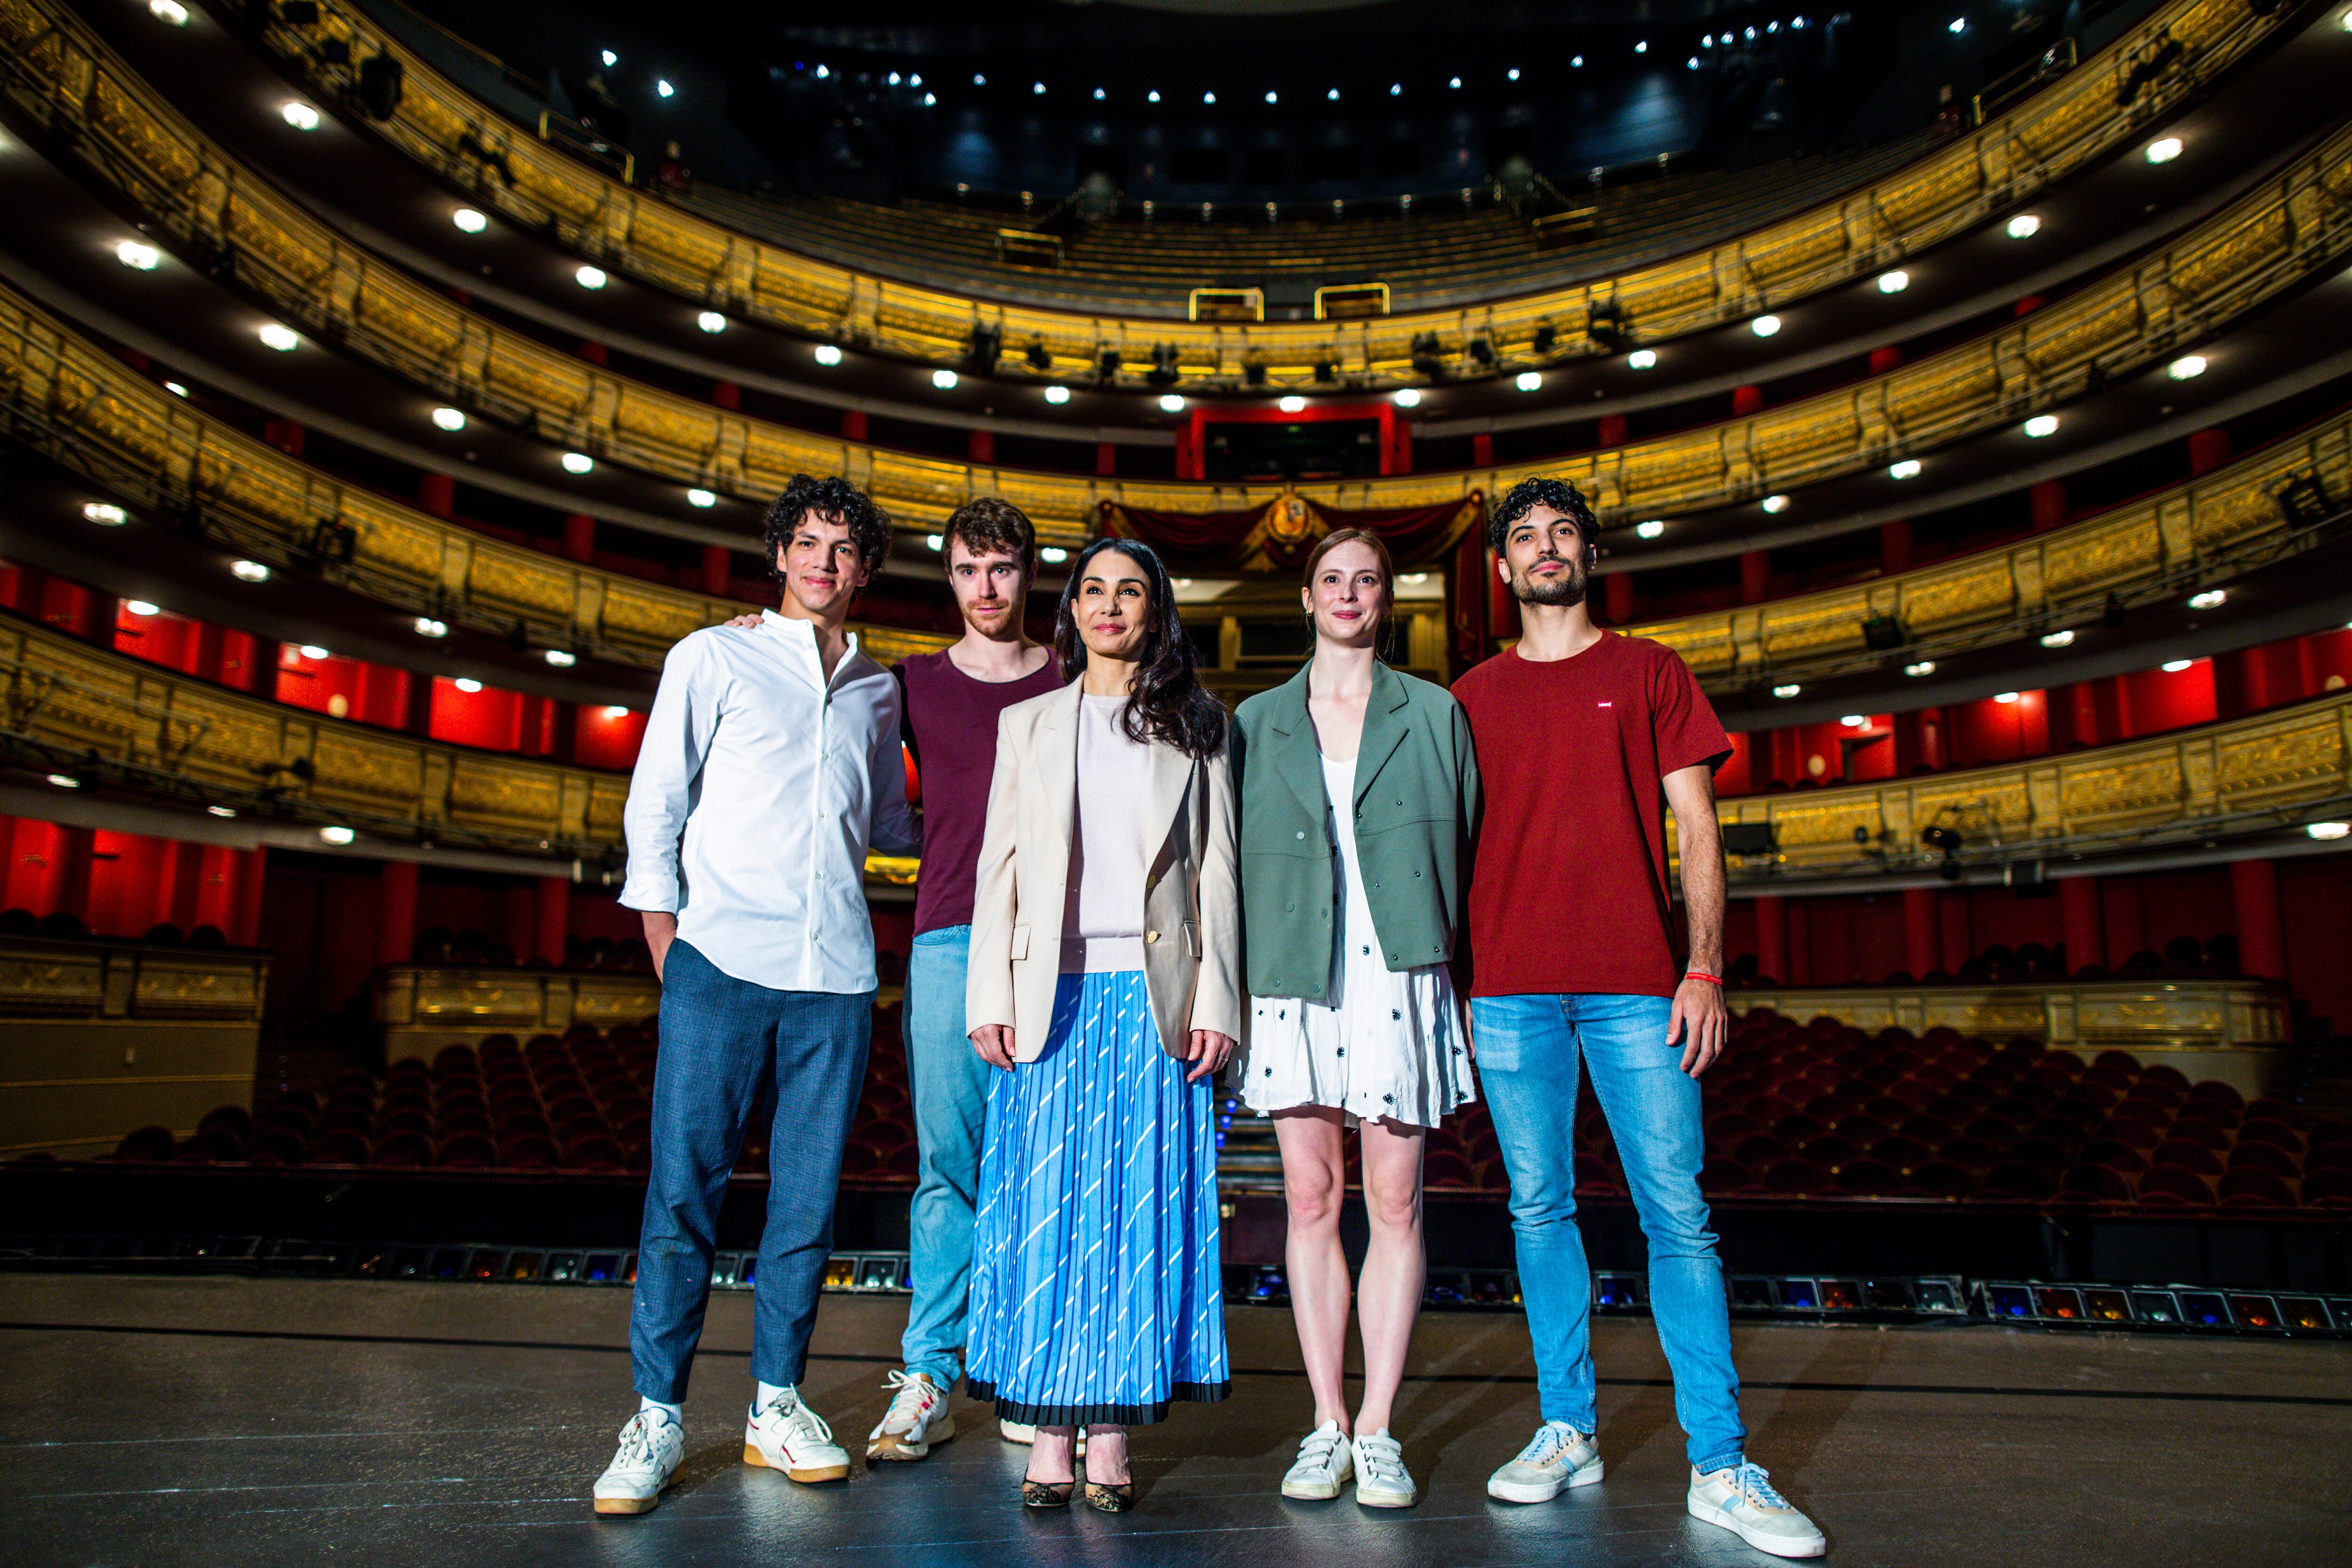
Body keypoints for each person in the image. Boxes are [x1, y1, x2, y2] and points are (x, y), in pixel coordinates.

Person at [1452, 478, 1826, 1558]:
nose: (1544, 547)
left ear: (1590, 553)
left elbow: (1697, 827)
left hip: (1636, 987)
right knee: (1537, 1209)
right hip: (1510, 987)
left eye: (1562, 530)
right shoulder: (1468, 694)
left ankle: (1720, 1463)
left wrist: (1702, 968)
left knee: (1677, 1213)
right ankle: (1566, 1426)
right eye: (1523, 536)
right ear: (1503, 569)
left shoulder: (1650, 670)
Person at [594, 474, 920, 1516]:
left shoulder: (878, 688)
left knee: (805, 1204)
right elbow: (660, 793)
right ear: (778, 554)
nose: (826, 564)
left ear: (865, 571)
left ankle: (774, 1400)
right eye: (809, 544)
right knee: (682, 1193)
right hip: (719, 959)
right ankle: (655, 1413)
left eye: (845, 550)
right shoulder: (711, 654)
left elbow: (890, 824)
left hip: (834, 972)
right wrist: (664, 932)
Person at [962, 537, 1239, 1512]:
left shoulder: (1199, 725)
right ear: (1070, 608)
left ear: (1154, 609)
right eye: (1093, 589)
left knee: (1134, 1217)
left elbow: (1218, 873)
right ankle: (1046, 1430)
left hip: (1152, 997)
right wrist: (986, 994)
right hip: (1051, 996)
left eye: (1130, 590)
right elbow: (997, 865)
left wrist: (1217, 1003)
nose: (1109, 605)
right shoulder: (1029, 722)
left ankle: (1111, 1433)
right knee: (1043, 1216)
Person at [1229, 529, 1479, 1510]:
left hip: (1398, 966)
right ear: (1306, 597)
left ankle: (1379, 1427)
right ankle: (1324, 1421)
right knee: (1308, 1197)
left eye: (1365, 578)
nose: (1348, 592)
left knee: (1397, 1198)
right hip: (1292, 971)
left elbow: (1464, 838)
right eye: (1331, 578)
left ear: (1386, 596)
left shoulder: (1436, 710)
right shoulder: (1252, 718)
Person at [868, 501, 1061, 1457]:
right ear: (948, 578)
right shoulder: (909, 684)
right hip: (947, 936)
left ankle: (1027, 1367)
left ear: (1030, 572)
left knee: (1037, 1167)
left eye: (1001, 567)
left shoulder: (1073, 678)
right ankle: (931, 1374)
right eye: (967, 569)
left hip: (1056, 947)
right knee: (947, 1168)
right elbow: (862, 789)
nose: (985, 587)